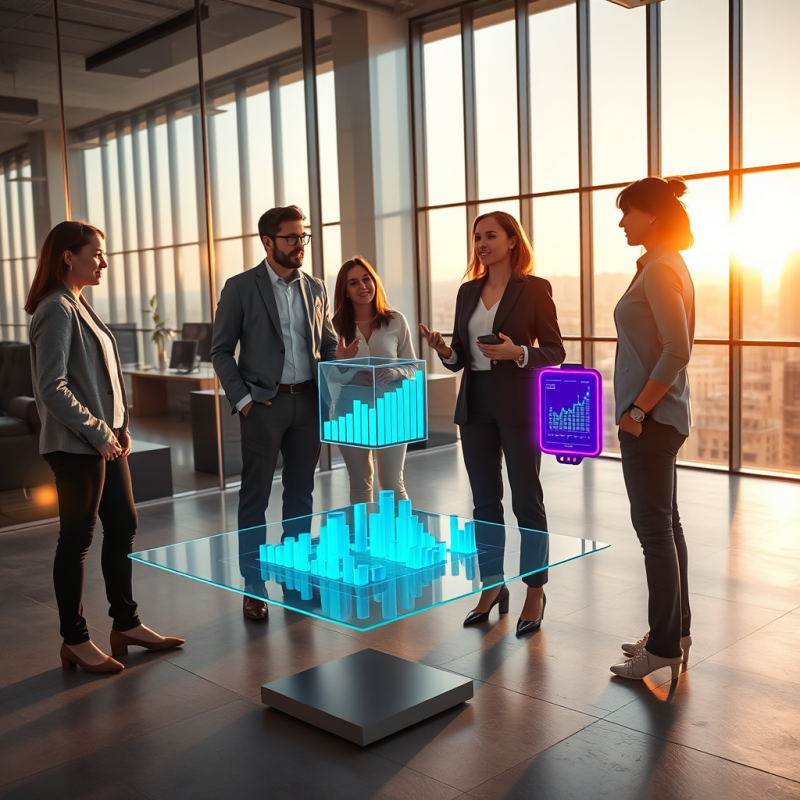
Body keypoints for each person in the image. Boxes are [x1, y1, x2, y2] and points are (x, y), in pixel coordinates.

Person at [26, 221, 184, 675]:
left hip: (106, 443)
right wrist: (99, 430)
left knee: (124, 525)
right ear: (67, 257)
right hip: (78, 447)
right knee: (76, 540)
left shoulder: (79, 304)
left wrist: (122, 425)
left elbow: (105, 378)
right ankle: (75, 640)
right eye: (94, 253)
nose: (103, 261)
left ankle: (126, 624)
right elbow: (51, 389)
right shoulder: (55, 309)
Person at [420, 211, 565, 636]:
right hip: (476, 403)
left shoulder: (534, 289)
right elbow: (461, 358)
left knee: (527, 500)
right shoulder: (467, 292)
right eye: (476, 237)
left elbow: (554, 351)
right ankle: (491, 586)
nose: (481, 243)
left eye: (490, 236)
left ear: (512, 241)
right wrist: (445, 351)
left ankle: (535, 589)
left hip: (519, 403)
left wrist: (519, 353)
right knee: (484, 502)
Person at [211, 206, 344, 621]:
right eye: (291, 238)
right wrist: (245, 401)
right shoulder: (239, 288)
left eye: (303, 237)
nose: (299, 245)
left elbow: (328, 344)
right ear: (267, 242)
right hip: (263, 407)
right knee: (255, 496)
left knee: (301, 493)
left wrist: (330, 389)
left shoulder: (316, 287)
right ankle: (253, 585)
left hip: (308, 405)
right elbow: (220, 351)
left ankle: (296, 575)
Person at [609, 176, 695, 681]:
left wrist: (637, 412)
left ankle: (662, 647)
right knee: (669, 527)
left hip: (651, 422)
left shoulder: (660, 269)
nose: (622, 222)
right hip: (661, 419)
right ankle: (675, 630)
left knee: (655, 535)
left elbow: (677, 350)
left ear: (654, 216)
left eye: (628, 212)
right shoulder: (664, 265)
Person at [331, 256, 416, 504]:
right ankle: (362, 541)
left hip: (392, 408)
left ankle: (403, 541)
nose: (363, 287)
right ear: (345, 291)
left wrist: (394, 372)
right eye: (353, 283)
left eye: (366, 279)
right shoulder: (333, 326)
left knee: (392, 482)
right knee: (360, 482)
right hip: (350, 411)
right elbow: (329, 374)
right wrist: (351, 371)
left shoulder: (395, 320)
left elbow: (411, 364)